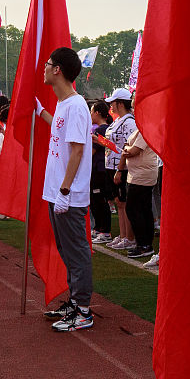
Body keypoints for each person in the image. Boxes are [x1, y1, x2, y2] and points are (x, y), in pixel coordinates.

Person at [38, 48, 95, 332]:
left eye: (48, 65)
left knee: (76, 250)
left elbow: (76, 151)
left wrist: (64, 189)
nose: (44, 69)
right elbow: (59, 133)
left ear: (57, 70)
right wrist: (41, 112)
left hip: (68, 194)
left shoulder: (76, 105)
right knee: (65, 248)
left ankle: (83, 310)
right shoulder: (63, 105)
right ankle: (75, 301)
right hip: (57, 192)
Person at [121, 105, 159, 260]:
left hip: (143, 175)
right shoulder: (141, 129)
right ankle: (144, 244)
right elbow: (128, 148)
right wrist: (127, 149)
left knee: (134, 208)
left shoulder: (146, 130)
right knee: (142, 209)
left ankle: (144, 244)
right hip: (138, 174)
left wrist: (127, 149)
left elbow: (132, 151)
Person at [104, 89, 137, 250]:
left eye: (113, 102)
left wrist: (120, 167)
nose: (111, 105)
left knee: (123, 202)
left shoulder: (129, 122)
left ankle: (128, 237)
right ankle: (123, 235)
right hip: (112, 165)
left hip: (121, 167)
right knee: (119, 202)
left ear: (120, 103)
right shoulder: (118, 121)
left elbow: (128, 145)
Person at [89, 100, 114, 242]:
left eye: (92, 111)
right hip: (101, 168)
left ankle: (104, 231)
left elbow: (92, 151)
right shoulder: (105, 128)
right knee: (97, 199)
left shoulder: (100, 130)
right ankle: (99, 229)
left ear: (97, 113)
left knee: (99, 200)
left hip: (99, 169)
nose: (90, 114)